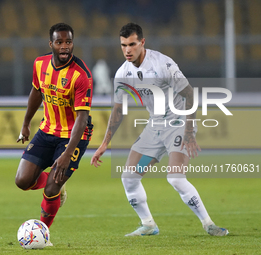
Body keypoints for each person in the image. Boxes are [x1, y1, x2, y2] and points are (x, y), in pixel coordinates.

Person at [91, 23, 228, 237]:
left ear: (142, 42)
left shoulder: (162, 64)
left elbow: (189, 95)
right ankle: (148, 224)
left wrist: (189, 133)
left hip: (178, 123)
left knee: (175, 178)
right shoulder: (123, 73)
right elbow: (118, 110)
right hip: (154, 127)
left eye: (132, 44)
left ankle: (208, 224)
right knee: (128, 177)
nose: (128, 50)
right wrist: (104, 144)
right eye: (123, 45)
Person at [15, 23, 93, 245]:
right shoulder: (40, 64)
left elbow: (82, 118)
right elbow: (36, 92)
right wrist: (26, 124)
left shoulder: (81, 75)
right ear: (51, 44)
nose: (65, 46)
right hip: (47, 129)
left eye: (68, 42)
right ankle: (58, 187)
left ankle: (42, 235)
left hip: (73, 135)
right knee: (22, 181)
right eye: (59, 42)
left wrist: (67, 153)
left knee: (51, 189)